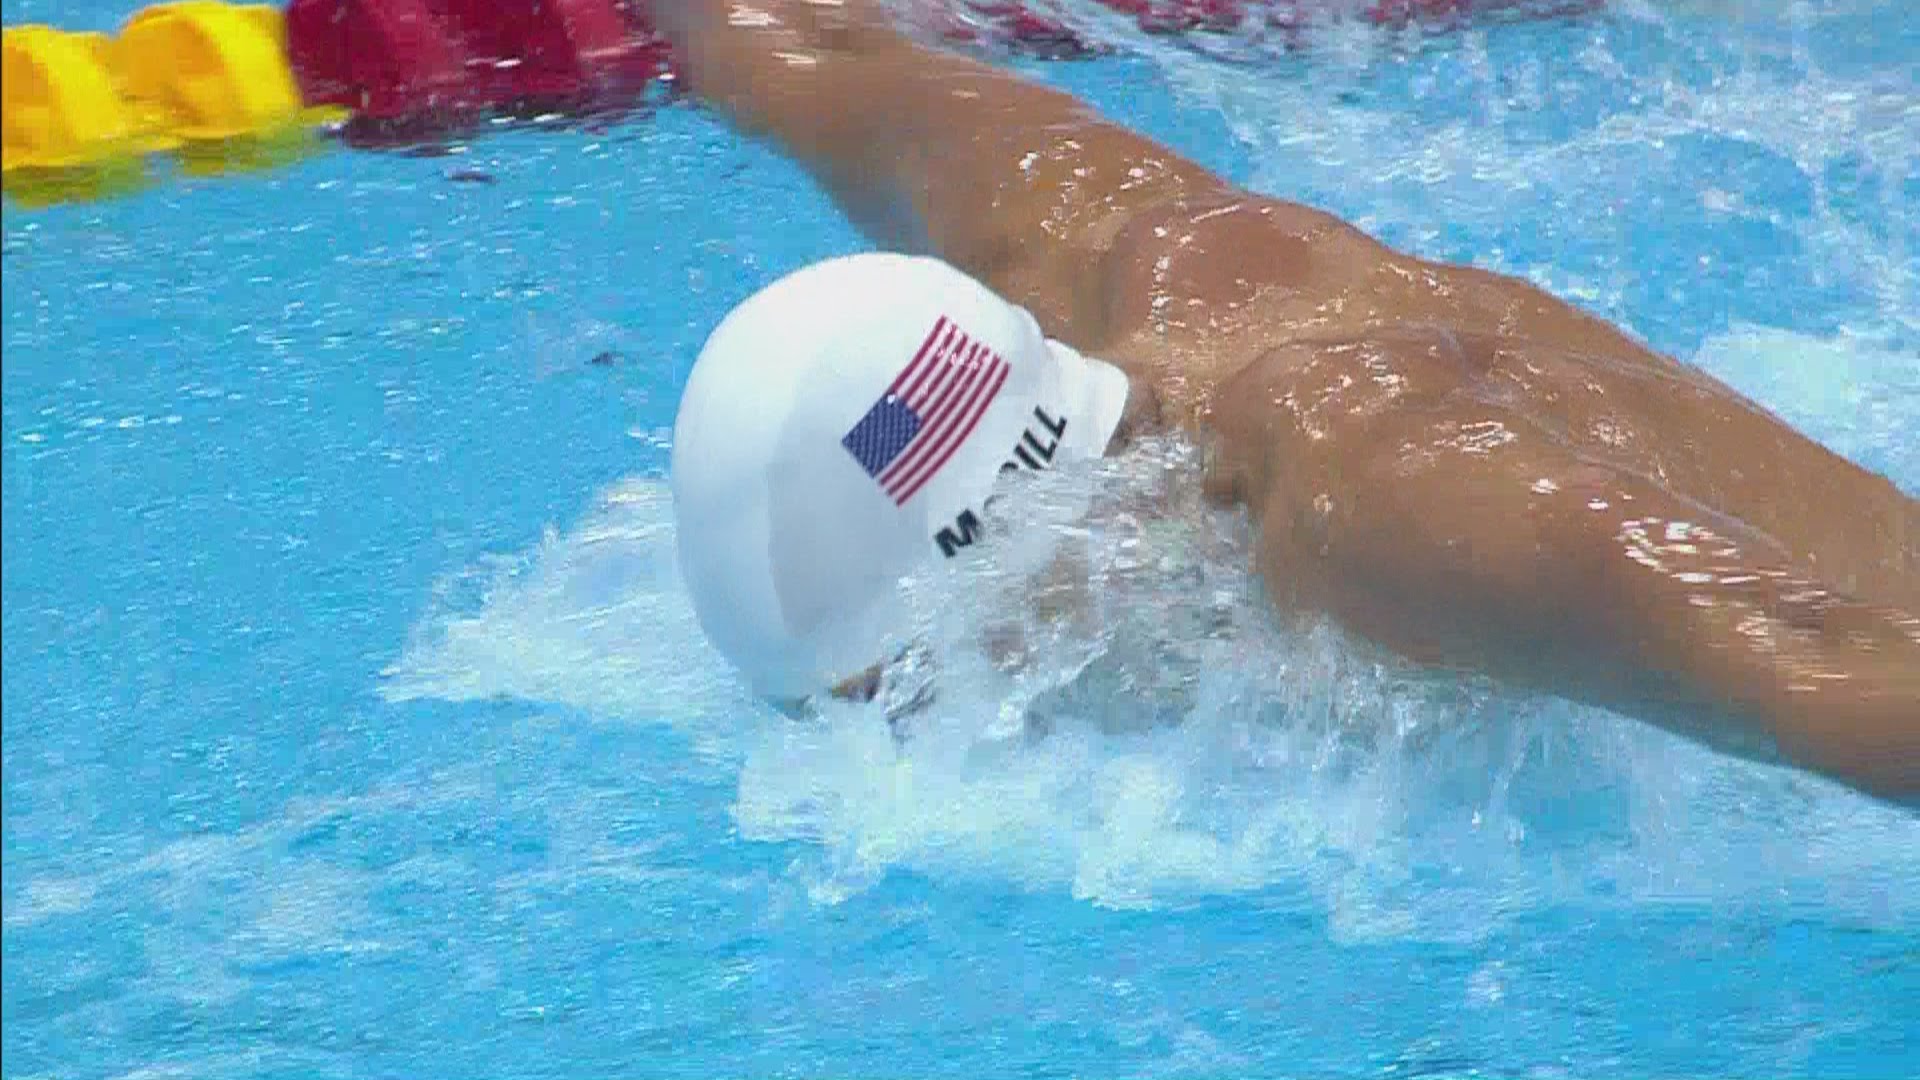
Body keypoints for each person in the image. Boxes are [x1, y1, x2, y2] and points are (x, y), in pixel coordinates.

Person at [658, 0, 1919, 803]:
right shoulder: (1067, 236)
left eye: (919, 694)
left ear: (1010, 557)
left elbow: (1815, 654)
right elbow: (816, 54)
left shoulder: (1372, 497)